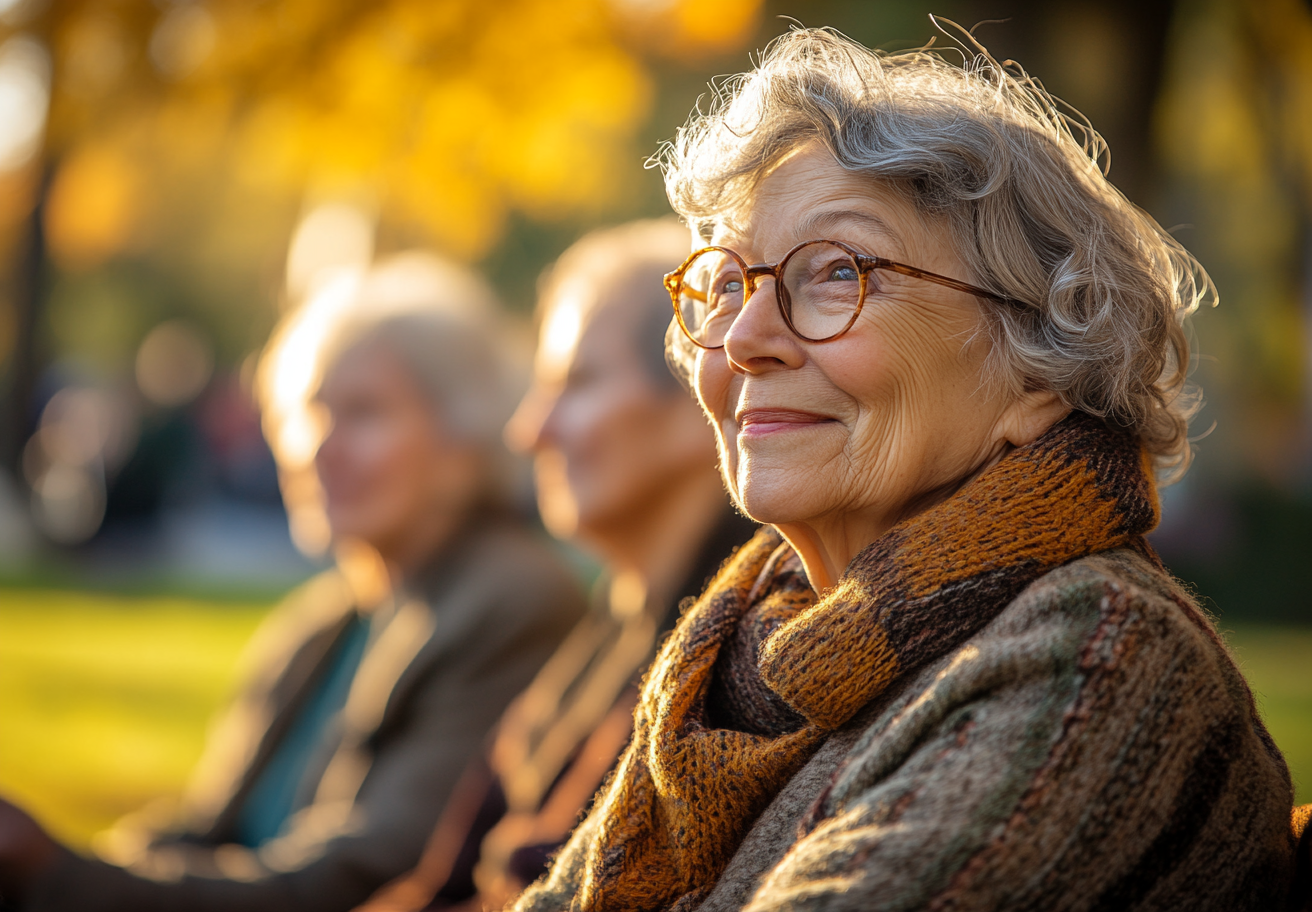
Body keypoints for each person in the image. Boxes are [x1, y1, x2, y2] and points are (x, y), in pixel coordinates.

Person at [510, 28, 1309, 912]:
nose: (743, 339)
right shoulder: (738, 665)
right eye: (730, 283)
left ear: (1038, 370)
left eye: (836, 272)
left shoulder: (1095, 661)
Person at [0, 254, 586, 912]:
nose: (318, 448)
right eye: (307, 412)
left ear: (464, 437)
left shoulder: (514, 602)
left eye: (364, 413)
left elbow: (357, 883)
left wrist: (50, 874)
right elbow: (204, 831)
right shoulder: (324, 619)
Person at [356, 220, 756, 912]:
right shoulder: (621, 616)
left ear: (703, 393)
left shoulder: (726, 651)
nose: (529, 431)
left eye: (578, 383)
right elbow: (449, 877)